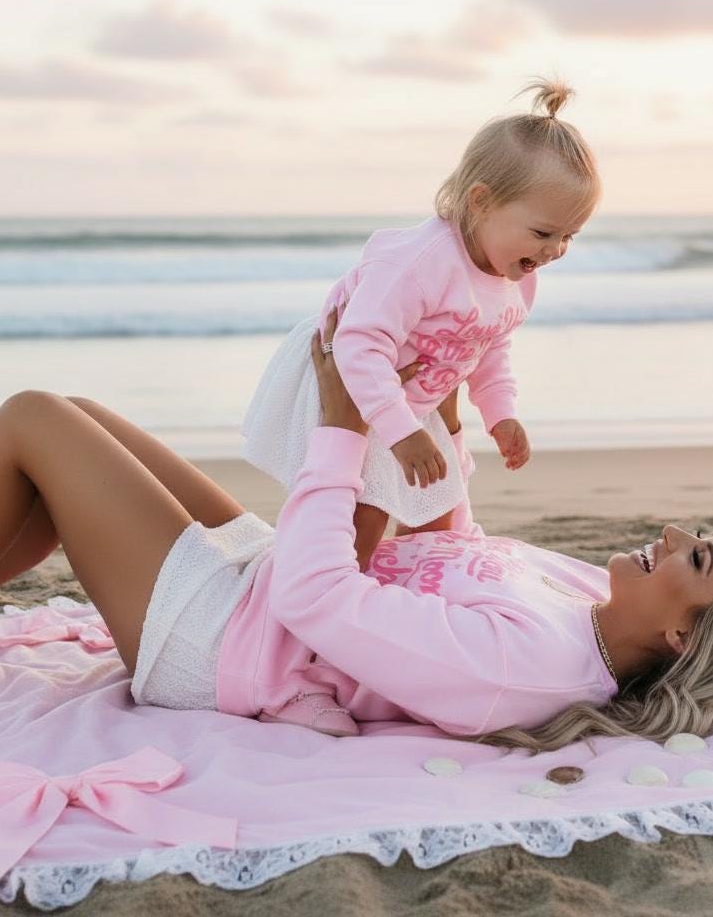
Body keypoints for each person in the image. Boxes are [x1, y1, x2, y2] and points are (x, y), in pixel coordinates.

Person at [0, 307, 713, 752]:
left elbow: (319, 599)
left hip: (229, 642)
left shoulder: (524, 668)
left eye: (696, 556)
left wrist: (343, 426)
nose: (670, 532)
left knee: (33, 420)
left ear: (684, 638)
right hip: (267, 589)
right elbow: (455, 553)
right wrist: (439, 424)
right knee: (75, 419)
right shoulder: (587, 602)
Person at [241, 76, 602, 575]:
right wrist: (399, 432)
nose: (554, 250)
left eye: (569, 237)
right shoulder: (419, 265)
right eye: (543, 232)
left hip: (414, 399)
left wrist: (501, 414)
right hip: (352, 383)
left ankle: (406, 592)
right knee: (364, 516)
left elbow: (489, 347)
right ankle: (323, 591)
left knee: (435, 512)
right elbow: (359, 344)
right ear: (480, 201)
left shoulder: (516, 278)